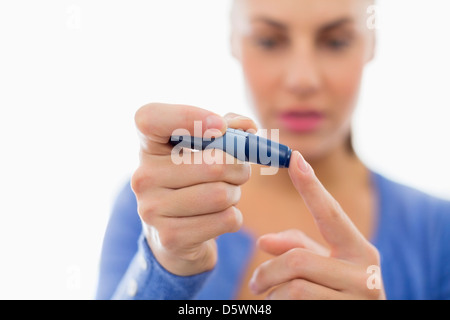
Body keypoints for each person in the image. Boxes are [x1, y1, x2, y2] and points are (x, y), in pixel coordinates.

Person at [95, 0, 450, 300]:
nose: (302, 79)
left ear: (371, 44)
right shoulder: (153, 208)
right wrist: (164, 266)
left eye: (336, 42)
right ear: (234, 41)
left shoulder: (438, 232)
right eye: (268, 41)